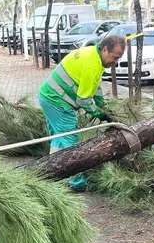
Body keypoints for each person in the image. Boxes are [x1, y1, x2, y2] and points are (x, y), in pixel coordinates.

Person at [38, 35, 125, 192]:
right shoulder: (92, 65)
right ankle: (76, 181)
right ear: (105, 50)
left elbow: (95, 87)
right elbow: (83, 100)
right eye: (115, 57)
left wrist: (104, 107)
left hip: (48, 97)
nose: (116, 62)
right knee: (70, 141)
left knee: (59, 139)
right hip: (57, 101)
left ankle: (52, 173)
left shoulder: (94, 54)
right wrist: (100, 114)